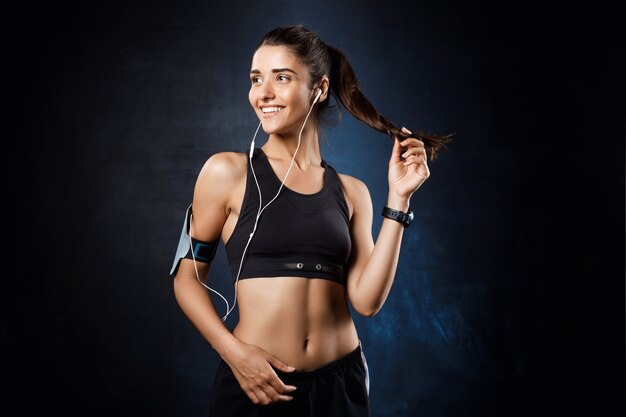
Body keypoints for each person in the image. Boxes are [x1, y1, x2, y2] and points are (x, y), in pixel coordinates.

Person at [170, 24, 452, 417]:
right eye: (256, 79)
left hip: (342, 383)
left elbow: (367, 302)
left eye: (281, 78)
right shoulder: (226, 173)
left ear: (318, 89)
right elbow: (186, 279)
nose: (263, 93)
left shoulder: (353, 192)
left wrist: (398, 199)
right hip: (258, 384)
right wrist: (234, 354)